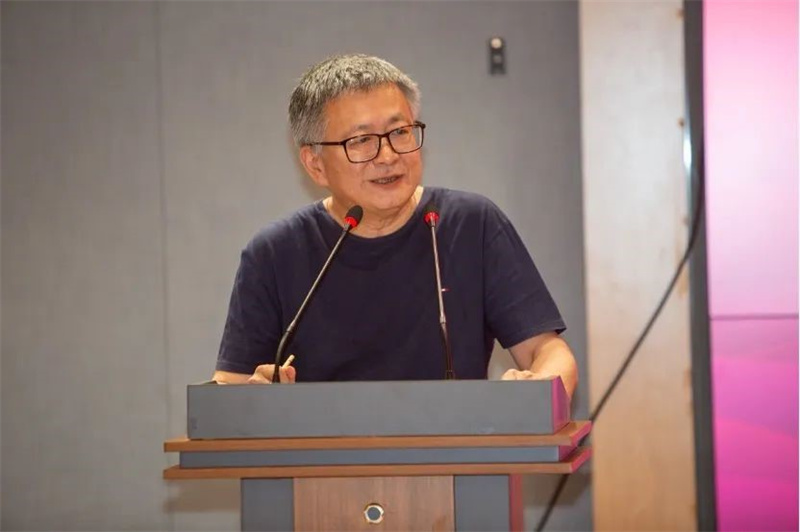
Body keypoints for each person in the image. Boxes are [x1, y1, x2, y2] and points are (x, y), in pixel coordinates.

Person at [212, 54, 578, 398]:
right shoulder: (274, 253)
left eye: (400, 132)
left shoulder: (471, 225)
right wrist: (254, 396)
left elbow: (547, 351)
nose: (388, 156)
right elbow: (230, 388)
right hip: (323, 448)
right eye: (361, 140)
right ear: (315, 164)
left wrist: (541, 384)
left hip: (458, 444)